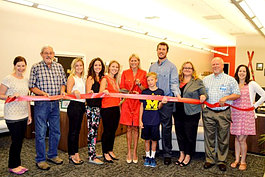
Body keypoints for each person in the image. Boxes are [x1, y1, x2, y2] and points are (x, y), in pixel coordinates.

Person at [29, 45, 67, 170]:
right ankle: (40, 159)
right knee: (40, 132)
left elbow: (63, 83)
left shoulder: (59, 67)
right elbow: (31, 86)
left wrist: (62, 91)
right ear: (41, 54)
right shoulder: (36, 67)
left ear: (54, 54)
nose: (48, 55)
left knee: (56, 131)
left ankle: (52, 154)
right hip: (42, 104)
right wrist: (42, 93)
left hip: (55, 103)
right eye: (46, 53)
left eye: (50, 53)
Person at [202, 57, 240, 172]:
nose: (215, 66)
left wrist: (227, 97)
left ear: (223, 66)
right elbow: (202, 93)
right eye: (213, 64)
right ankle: (210, 160)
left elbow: (237, 94)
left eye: (217, 64)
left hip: (223, 112)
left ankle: (221, 160)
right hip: (208, 112)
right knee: (209, 137)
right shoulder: (206, 79)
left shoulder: (230, 79)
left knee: (223, 138)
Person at [149, 42, 180, 165]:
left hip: (166, 102)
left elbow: (174, 83)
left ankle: (167, 154)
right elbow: (150, 82)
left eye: (164, 49)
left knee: (166, 128)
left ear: (167, 51)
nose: (161, 51)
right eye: (159, 49)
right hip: (153, 101)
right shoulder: (152, 67)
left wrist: (177, 95)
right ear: (156, 50)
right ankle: (153, 151)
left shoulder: (172, 67)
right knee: (153, 127)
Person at [0, 56, 32, 175]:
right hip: (12, 115)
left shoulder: (25, 80)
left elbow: (27, 98)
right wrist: (11, 96)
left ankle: (17, 164)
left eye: (23, 65)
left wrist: (29, 115)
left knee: (20, 140)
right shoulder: (8, 79)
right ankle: (12, 166)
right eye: (18, 65)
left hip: (23, 114)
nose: (21, 68)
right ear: (14, 66)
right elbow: (0, 94)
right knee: (16, 140)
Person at [230, 64, 265, 171]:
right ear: (237, 72)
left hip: (246, 114)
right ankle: (236, 159)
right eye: (240, 71)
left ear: (247, 73)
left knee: (242, 139)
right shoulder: (234, 84)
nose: (242, 73)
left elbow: (264, 95)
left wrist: (254, 106)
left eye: (244, 71)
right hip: (235, 114)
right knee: (236, 138)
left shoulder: (252, 84)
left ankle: (243, 161)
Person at [173, 61, 207, 167]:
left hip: (191, 113)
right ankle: (181, 154)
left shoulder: (197, 81)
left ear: (193, 70)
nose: (187, 69)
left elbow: (203, 93)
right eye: (185, 67)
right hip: (178, 112)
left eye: (189, 68)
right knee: (180, 135)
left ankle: (188, 155)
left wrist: (203, 97)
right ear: (182, 69)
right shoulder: (177, 81)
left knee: (189, 136)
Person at [120, 54, 147, 164]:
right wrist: (130, 92)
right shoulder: (125, 73)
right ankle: (129, 152)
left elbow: (145, 89)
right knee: (128, 128)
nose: (133, 62)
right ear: (129, 62)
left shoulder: (143, 73)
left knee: (136, 128)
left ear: (138, 61)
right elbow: (121, 88)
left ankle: (135, 152)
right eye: (132, 61)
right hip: (127, 102)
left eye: (135, 60)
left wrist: (139, 86)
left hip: (138, 102)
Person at [139, 72, 167, 168]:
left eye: (152, 80)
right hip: (146, 119)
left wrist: (162, 103)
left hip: (155, 119)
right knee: (147, 139)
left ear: (156, 80)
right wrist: (140, 120)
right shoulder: (144, 92)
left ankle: (152, 157)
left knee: (154, 140)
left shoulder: (160, 92)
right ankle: (147, 157)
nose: (150, 82)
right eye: (148, 80)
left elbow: (159, 107)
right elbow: (142, 106)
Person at [99, 60, 121, 163]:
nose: (115, 69)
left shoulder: (115, 80)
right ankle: (105, 152)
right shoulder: (105, 78)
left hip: (116, 107)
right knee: (107, 131)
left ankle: (110, 149)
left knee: (113, 130)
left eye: (116, 67)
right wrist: (104, 91)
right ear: (109, 67)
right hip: (107, 108)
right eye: (113, 67)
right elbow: (100, 92)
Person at [86, 57, 105, 165]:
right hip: (91, 108)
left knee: (95, 131)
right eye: (96, 65)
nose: (98, 67)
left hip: (98, 108)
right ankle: (91, 156)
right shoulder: (91, 78)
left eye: (99, 65)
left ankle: (92, 152)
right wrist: (91, 92)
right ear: (92, 67)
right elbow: (88, 92)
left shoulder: (100, 78)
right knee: (92, 132)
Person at [67, 58, 86, 165]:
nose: (79, 67)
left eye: (81, 65)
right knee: (73, 132)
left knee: (77, 131)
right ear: (74, 67)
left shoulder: (83, 78)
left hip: (82, 105)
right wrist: (74, 91)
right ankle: (72, 154)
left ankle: (76, 153)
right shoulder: (72, 78)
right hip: (74, 105)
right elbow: (68, 92)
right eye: (77, 65)